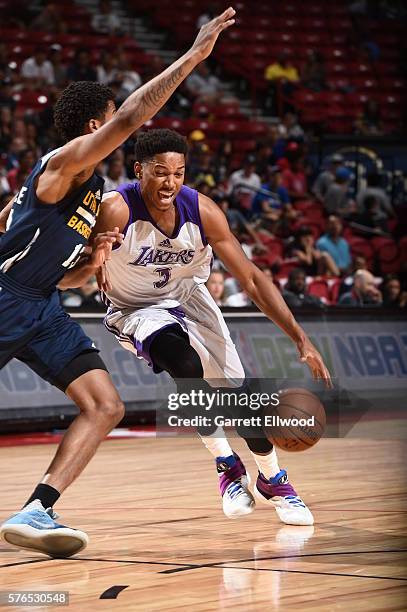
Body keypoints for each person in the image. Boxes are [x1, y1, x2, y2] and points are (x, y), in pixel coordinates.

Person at [0, 7, 237, 558]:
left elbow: (67, 272)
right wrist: (194, 57)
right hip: (6, 299)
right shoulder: (65, 165)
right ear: (94, 127)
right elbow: (133, 115)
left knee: (105, 405)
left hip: (42, 307)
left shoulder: (91, 189)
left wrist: (93, 260)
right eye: (111, 120)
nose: (126, 130)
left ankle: (37, 509)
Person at [80, 129, 331, 526]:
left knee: (239, 397)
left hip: (190, 299)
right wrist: (93, 260)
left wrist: (301, 339)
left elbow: (250, 277)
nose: (170, 182)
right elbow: (74, 275)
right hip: (135, 308)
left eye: (179, 173)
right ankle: (227, 466)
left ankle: (272, 478)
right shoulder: (116, 210)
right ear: (138, 170)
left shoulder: (203, 211)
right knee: (184, 364)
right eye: (160, 172)